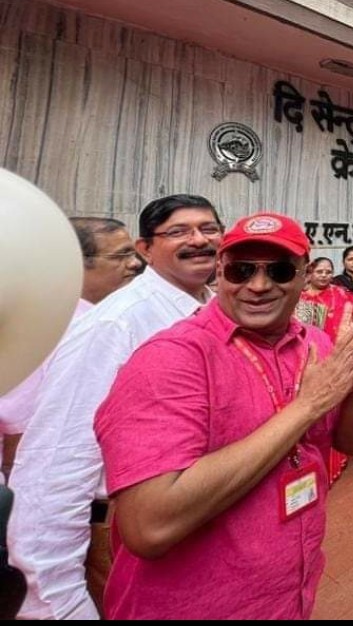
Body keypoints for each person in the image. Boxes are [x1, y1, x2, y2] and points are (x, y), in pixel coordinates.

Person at [93, 212, 353, 619]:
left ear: (305, 276)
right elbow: (149, 525)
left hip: (290, 595)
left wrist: (351, 371)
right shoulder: (171, 359)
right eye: (241, 270)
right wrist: (307, 407)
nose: (259, 285)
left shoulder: (316, 344)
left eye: (280, 270)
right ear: (220, 272)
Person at [8, 196, 221, 620]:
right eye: (179, 231)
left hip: (203, 524)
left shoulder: (216, 309)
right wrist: (58, 601)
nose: (198, 240)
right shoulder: (116, 324)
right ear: (146, 249)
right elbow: (56, 464)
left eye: (208, 228)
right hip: (125, 536)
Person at [1, 217, 142, 473]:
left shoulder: (120, 316)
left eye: (133, 253)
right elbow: (19, 430)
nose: (135, 264)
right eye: (120, 256)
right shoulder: (43, 328)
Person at [294, 257, 353, 482]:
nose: (324, 275)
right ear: (310, 273)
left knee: (333, 409)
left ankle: (333, 459)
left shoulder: (342, 295)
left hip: (335, 356)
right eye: (319, 271)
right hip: (306, 361)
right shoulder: (299, 298)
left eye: (328, 271)